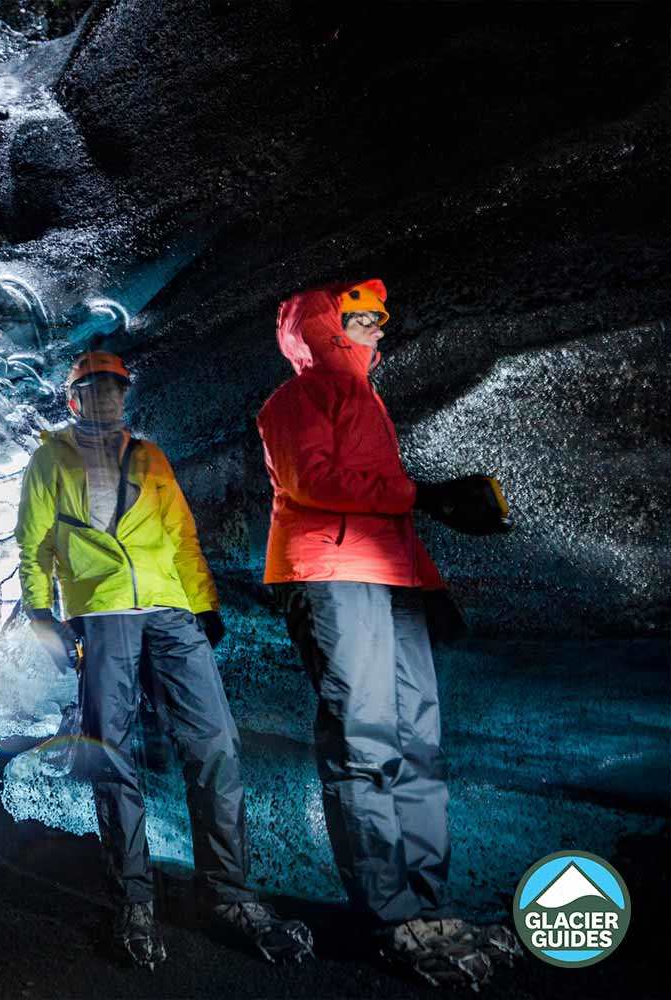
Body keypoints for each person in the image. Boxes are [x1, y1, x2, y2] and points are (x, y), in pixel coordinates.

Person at [16, 350, 314, 970]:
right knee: (113, 754)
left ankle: (230, 897)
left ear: (124, 397)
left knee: (215, 746)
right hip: (102, 616)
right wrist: (41, 610)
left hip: (171, 614)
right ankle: (134, 903)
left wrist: (203, 601)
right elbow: (35, 539)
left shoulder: (150, 457)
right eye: (93, 389)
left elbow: (180, 534)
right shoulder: (50, 458)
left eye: (114, 389)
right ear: (74, 399)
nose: (105, 399)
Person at [256, 280, 517, 985]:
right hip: (334, 574)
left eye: (380, 317)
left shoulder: (366, 398)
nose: (380, 327)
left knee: (418, 740)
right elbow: (312, 480)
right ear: (325, 326)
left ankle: (425, 903)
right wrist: (422, 494)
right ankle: (389, 913)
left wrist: (428, 574)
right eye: (364, 318)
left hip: (392, 576)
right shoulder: (297, 398)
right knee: (364, 736)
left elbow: (379, 494)